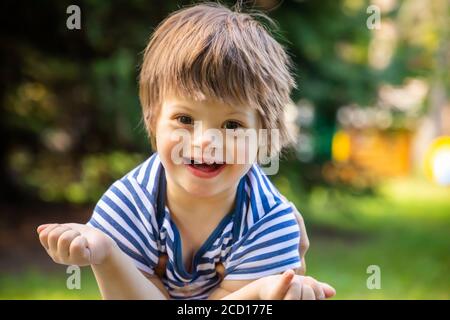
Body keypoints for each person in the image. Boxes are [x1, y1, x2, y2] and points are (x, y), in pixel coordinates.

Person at [37, 2, 335, 300]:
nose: (206, 141)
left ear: (264, 133)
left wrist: (259, 292)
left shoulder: (269, 221)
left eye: (232, 125)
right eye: (185, 119)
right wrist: (108, 255)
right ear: (154, 118)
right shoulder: (129, 205)